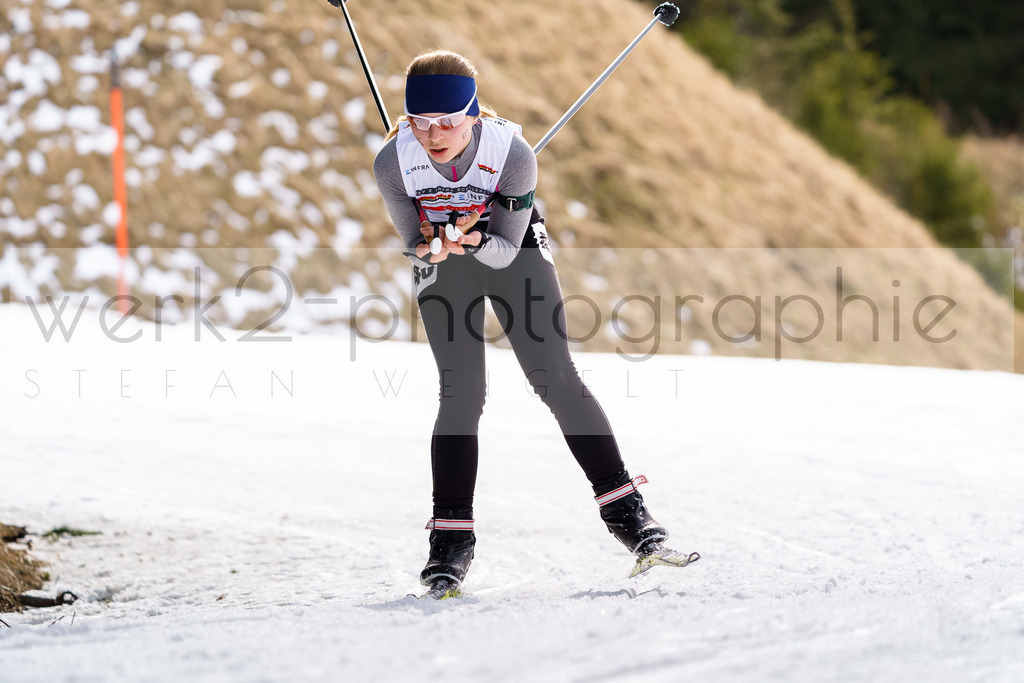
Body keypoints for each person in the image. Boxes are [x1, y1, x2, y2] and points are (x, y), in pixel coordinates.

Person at [372, 49, 691, 593]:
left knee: (554, 379)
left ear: (474, 115)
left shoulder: (513, 154)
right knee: (461, 392)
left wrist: (469, 238)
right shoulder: (391, 163)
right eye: (420, 123)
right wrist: (431, 247)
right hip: (447, 266)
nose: (433, 135)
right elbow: (413, 247)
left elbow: (502, 250)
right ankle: (450, 543)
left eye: (447, 121)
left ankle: (633, 519)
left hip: (509, 249)